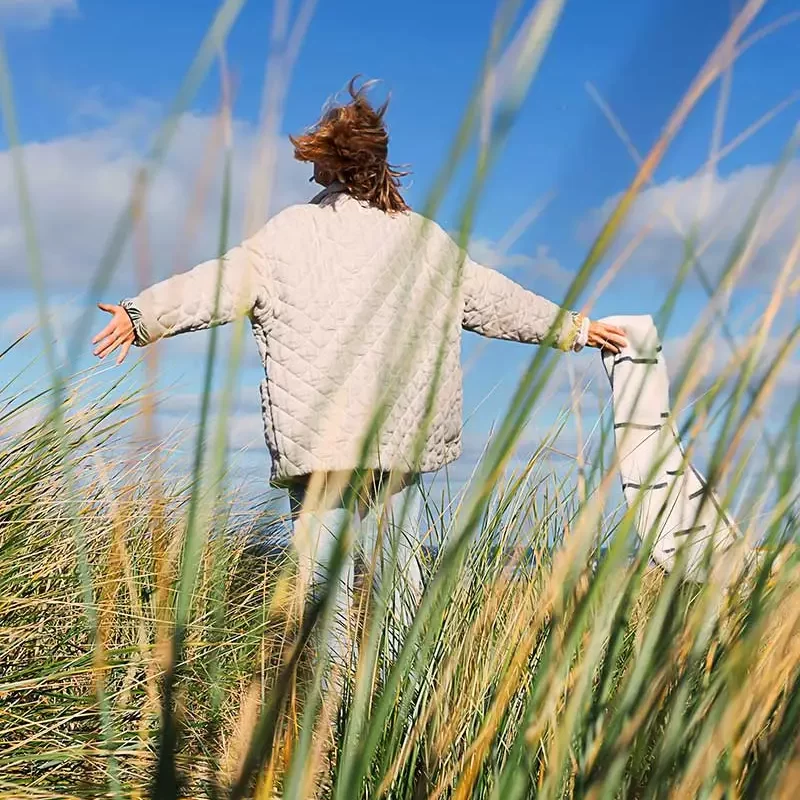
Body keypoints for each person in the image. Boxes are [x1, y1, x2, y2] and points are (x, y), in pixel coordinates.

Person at [92, 77, 627, 678]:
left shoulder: (288, 235)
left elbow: (214, 286)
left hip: (318, 445)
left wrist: (141, 317)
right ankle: (393, 717)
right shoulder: (425, 240)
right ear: (380, 165)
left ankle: (331, 725)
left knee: (327, 600)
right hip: (399, 442)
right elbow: (499, 302)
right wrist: (574, 328)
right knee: (401, 586)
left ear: (325, 169)